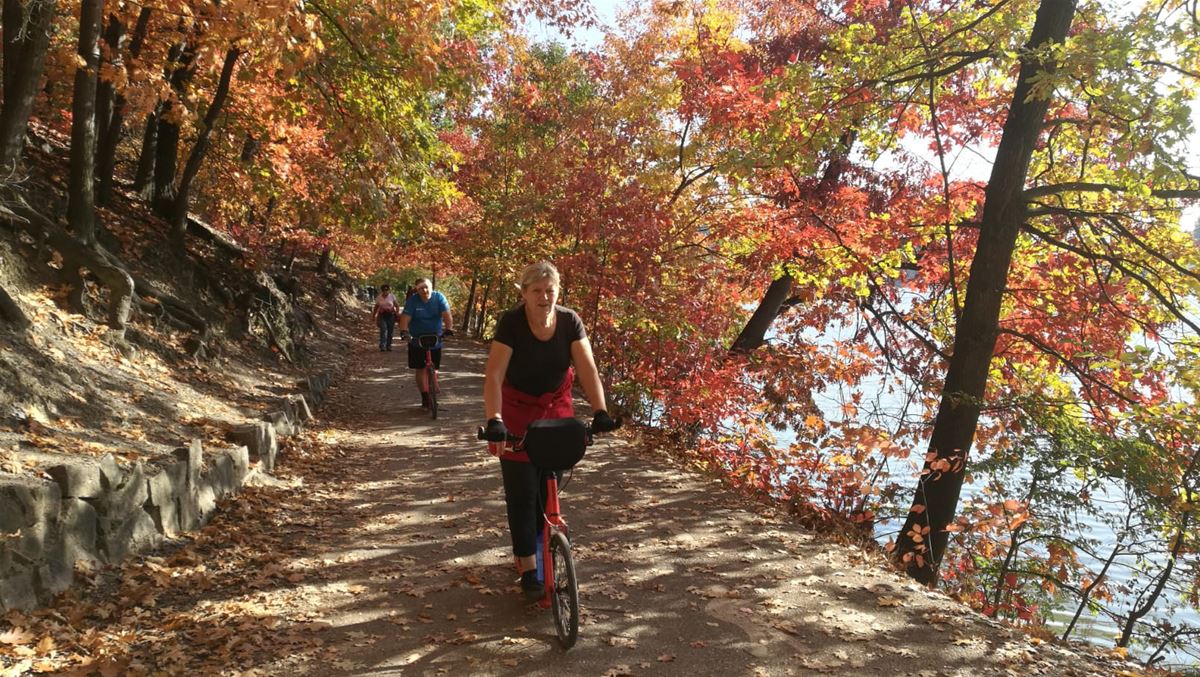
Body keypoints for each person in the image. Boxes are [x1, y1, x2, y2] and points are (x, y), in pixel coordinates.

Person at [480, 261, 620, 599]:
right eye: (537, 291)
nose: (544, 297)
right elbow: (495, 375)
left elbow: (587, 367)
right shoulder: (512, 322)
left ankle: (549, 549)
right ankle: (528, 566)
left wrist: (600, 411)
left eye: (550, 291)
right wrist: (494, 418)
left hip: (555, 407)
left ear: (559, 291)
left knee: (548, 490)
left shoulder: (569, 321)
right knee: (523, 494)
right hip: (515, 409)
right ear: (524, 293)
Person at [398, 278, 453, 407]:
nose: (424, 290)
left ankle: (433, 386)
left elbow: (447, 315)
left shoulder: (439, 298)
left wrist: (449, 329)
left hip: (435, 337)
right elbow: (405, 318)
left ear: (431, 287)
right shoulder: (413, 301)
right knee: (420, 369)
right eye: (421, 288)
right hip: (417, 338)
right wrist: (404, 331)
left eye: (427, 287)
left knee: (435, 367)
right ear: (417, 290)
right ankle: (425, 396)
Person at [372, 284, 399, 352]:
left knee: (390, 331)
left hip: (391, 315)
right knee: (383, 330)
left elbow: (397, 306)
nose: (385, 291)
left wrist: (397, 313)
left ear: (388, 290)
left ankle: (389, 345)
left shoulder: (392, 296)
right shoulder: (379, 297)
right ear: (382, 290)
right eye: (384, 290)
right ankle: (382, 345)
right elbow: (376, 307)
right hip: (382, 315)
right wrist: (374, 316)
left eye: (387, 290)